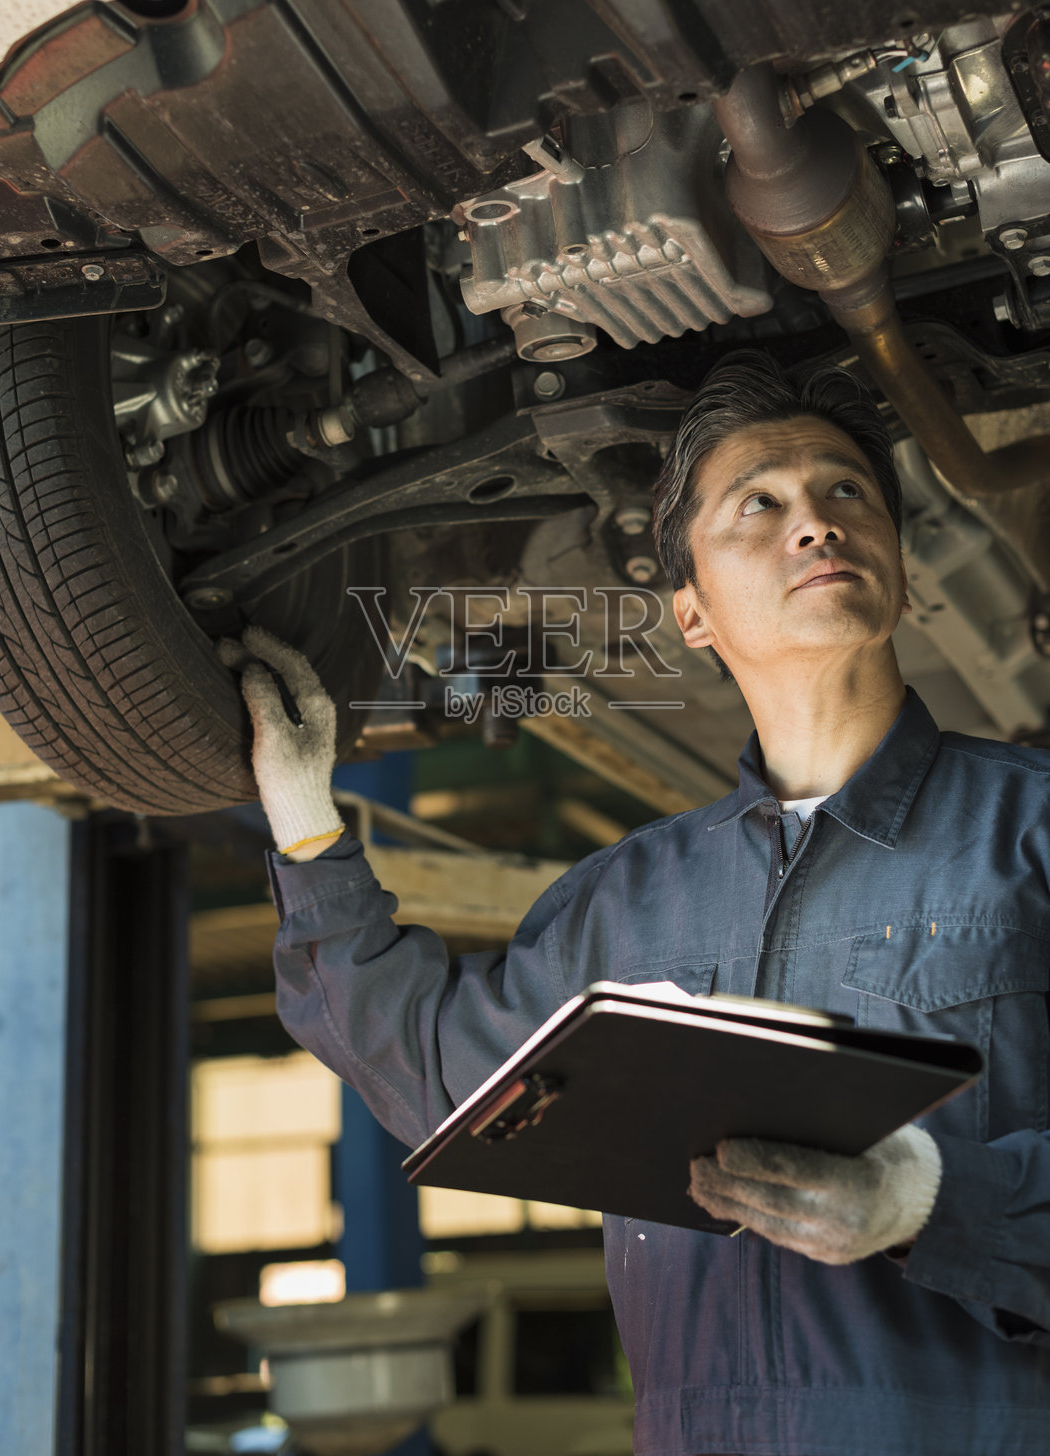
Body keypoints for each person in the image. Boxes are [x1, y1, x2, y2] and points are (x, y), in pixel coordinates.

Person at [221, 352, 1050, 1456]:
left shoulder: (1033, 831)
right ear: (693, 612)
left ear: (900, 573)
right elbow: (436, 1073)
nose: (815, 522)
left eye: (846, 491)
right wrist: (304, 822)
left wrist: (930, 1199)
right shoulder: (623, 901)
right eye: (760, 503)